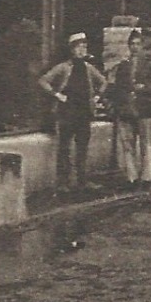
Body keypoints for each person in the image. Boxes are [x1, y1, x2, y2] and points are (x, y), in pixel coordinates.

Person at [38, 32, 107, 191]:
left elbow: (103, 82)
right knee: (64, 148)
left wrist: (96, 97)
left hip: (83, 112)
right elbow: (43, 80)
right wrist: (57, 94)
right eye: (78, 47)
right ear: (72, 49)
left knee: (82, 148)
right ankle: (63, 183)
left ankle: (82, 181)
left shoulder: (89, 68)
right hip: (67, 112)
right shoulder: (63, 67)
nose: (82, 50)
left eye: (84, 47)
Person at [107, 30, 151, 192]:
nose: (135, 47)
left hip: (144, 108)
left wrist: (145, 88)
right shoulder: (123, 65)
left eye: (138, 44)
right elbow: (117, 87)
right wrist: (117, 104)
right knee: (127, 144)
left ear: (142, 45)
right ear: (128, 46)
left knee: (146, 144)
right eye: (132, 44)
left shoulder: (150, 63)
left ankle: (147, 177)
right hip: (126, 109)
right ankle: (131, 177)